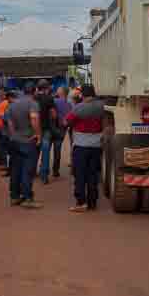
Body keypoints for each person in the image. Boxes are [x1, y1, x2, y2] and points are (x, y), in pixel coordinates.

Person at [65, 84, 104, 212]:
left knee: (80, 175)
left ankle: (81, 202)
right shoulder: (101, 106)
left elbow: (67, 122)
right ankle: (92, 202)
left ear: (83, 95)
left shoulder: (79, 108)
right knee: (92, 174)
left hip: (81, 146)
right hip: (96, 146)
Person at [6, 87, 42, 209]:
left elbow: (10, 123)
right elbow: (34, 118)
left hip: (15, 140)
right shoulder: (33, 104)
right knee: (27, 170)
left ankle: (14, 197)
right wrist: (37, 134)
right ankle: (27, 198)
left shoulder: (12, 105)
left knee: (15, 169)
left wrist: (13, 136)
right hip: (28, 141)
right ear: (34, 92)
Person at [34, 80, 55, 185]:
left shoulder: (33, 98)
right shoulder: (49, 99)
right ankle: (44, 175)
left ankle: (32, 171)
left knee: (34, 151)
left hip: (33, 130)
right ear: (47, 88)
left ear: (38, 88)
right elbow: (53, 114)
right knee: (45, 152)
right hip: (46, 129)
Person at [0, 91, 15, 173]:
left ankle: (8, 166)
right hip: (2, 127)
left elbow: (6, 119)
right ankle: (7, 165)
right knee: (5, 148)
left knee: (5, 148)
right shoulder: (7, 104)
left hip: (2, 128)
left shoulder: (6, 104)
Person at [53, 86, 72, 177]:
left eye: (58, 89)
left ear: (61, 92)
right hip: (61, 129)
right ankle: (55, 170)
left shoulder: (54, 101)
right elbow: (69, 119)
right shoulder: (69, 105)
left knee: (47, 148)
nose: (57, 90)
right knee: (57, 149)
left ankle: (43, 168)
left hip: (52, 127)